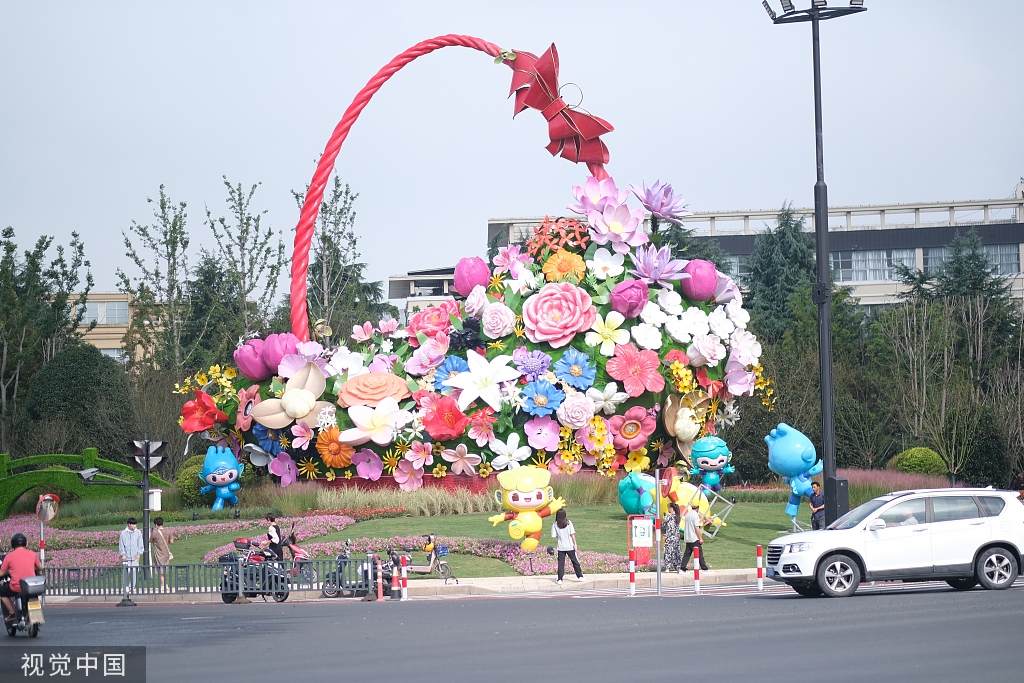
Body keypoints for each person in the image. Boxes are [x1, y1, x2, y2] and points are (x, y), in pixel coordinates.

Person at [0, 533, 42, 623]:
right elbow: (40, 568)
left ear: (13, 544)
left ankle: (12, 613)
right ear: (25, 543)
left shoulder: (9, 556)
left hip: (16, 587)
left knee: (2, 592)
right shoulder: (32, 554)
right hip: (31, 586)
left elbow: (2, 573)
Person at [550, 508, 584, 584]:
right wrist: (575, 543)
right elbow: (572, 534)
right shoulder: (569, 523)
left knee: (561, 563)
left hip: (561, 547)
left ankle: (560, 579)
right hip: (569, 546)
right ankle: (580, 576)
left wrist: (560, 536)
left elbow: (554, 535)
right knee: (574, 561)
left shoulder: (555, 524)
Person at [681, 503, 709, 571]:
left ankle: (682, 567)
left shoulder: (688, 514)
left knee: (687, 553)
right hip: (694, 537)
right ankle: (704, 568)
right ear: (698, 507)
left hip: (688, 537)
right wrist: (700, 538)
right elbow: (696, 527)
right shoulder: (695, 515)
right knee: (699, 553)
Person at [118, 518, 144, 591]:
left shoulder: (138, 532)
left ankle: (132, 586)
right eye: (133, 524)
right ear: (129, 524)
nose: (135, 526)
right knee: (126, 571)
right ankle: (125, 585)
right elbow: (121, 544)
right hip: (126, 557)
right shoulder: (123, 533)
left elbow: (140, 544)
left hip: (135, 556)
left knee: (134, 572)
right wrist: (123, 554)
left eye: (135, 524)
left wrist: (139, 554)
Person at [151, 517, 174, 589]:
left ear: (156, 524)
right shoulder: (168, 531)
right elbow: (171, 541)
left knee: (160, 569)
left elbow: (150, 540)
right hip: (166, 553)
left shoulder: (154, 532)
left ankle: (163, 584)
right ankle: (164, 583)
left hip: (158, 553)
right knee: (164, 568)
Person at [663, 502, 683, 574]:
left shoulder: (668, 516)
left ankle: (668, 567)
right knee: (677, 552)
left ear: (671, 508)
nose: (668, 509)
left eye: (669, 507)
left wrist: (664, 516)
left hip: (669, 537)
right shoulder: (677, 516)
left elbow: (663, 524)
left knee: (668, 552)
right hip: (676, 537)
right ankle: (678, 566)